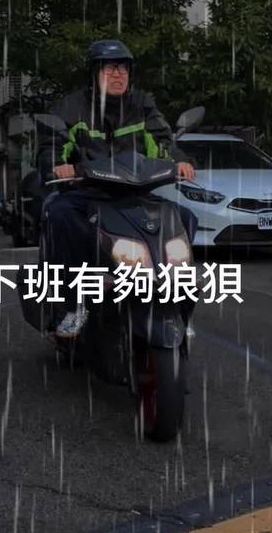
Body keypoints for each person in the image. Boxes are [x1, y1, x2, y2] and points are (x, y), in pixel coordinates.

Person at [36, 40, 197, 340]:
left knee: (184, 218)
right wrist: (57, 165)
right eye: (109, 68)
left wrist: (180, 160)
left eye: (123, 68)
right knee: (58, 215)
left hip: (132, 194)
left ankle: (176, 304)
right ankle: (71, 306)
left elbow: (162, 141)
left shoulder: (141, 105)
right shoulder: (72, 107)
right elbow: (53, 144)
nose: (118, 74)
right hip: (87, 192)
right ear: (94, 73)